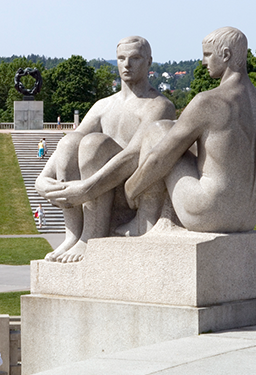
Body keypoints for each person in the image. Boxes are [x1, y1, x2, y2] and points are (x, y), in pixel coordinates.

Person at [46, 27, 256, 239]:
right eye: (121, 58)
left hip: (208, 212)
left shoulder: (209, 101)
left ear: (226, 54)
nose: (203, 62)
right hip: (248, 214)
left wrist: (130, 190)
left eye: (208, 55)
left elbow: (159, 157)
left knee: (159, 131)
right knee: (166, 133)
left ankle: (143, 219)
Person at [36, 36, 175, 263]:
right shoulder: (103, 105)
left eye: (135, 58)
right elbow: (68, 143)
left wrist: (86, 188)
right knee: (71, 141)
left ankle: (92, 236)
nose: (127, 64)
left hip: (129, 189)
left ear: (149, 62)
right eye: (121, 58)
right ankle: (72, 235)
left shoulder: (159, 105)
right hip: (91, 187)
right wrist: (42, 179)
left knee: (93, 144)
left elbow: (134, 155)